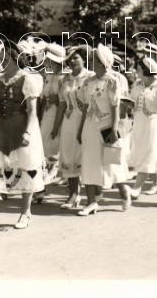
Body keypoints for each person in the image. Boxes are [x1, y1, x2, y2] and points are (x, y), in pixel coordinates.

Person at [0, 40, 45, 231]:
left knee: (25, 165)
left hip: (21, 126)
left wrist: (28, 132)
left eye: (4, 56)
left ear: (14, 57)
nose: (0, 60)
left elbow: (31, 110)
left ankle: (25, 212)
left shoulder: (28, 79)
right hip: (1, 127)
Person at [76, 44, 133, 215]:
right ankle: (91, 202)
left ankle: (124, 192)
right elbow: (85, 107)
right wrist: (80, 130)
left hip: (107, 126)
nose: (90, 62)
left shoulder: (112, 81)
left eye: (93, 59)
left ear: (102, 62)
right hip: (90, 126)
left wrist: (114, 130)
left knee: (111, 163)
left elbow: (116, 106)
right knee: (89, 162)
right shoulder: (88, 82)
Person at [52, 46, 92, 210]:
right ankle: (73, 194)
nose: (72, 61)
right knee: (69, 156)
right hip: (68, 121)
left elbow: (90, 102)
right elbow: (61, 104)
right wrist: (55, 127)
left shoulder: (90, 78)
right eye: (70, 59)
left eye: (76, 58)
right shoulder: (65, 79)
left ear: (83, 58)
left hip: (85, 119)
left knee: (85, 156)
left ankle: (93, 192)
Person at [128, 57, 157, 199]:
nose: (136, 71)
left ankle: (136, 187)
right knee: (145, 154)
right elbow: (132, 102)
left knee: (151, 154)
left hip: (155, 124)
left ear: (145, 70)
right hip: (139, 123)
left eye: (139, 69)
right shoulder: (137, 84)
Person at [38, 43, 66, 191]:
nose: (49, 63)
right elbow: (44, 97)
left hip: (58, 115)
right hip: (47, 114)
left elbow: (63, 102)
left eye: (52, 61)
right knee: (43, 145)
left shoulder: (64, 78)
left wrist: (56, 126)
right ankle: (44, 178)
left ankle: (53, 173)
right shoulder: (49, 76)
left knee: (54, 145)